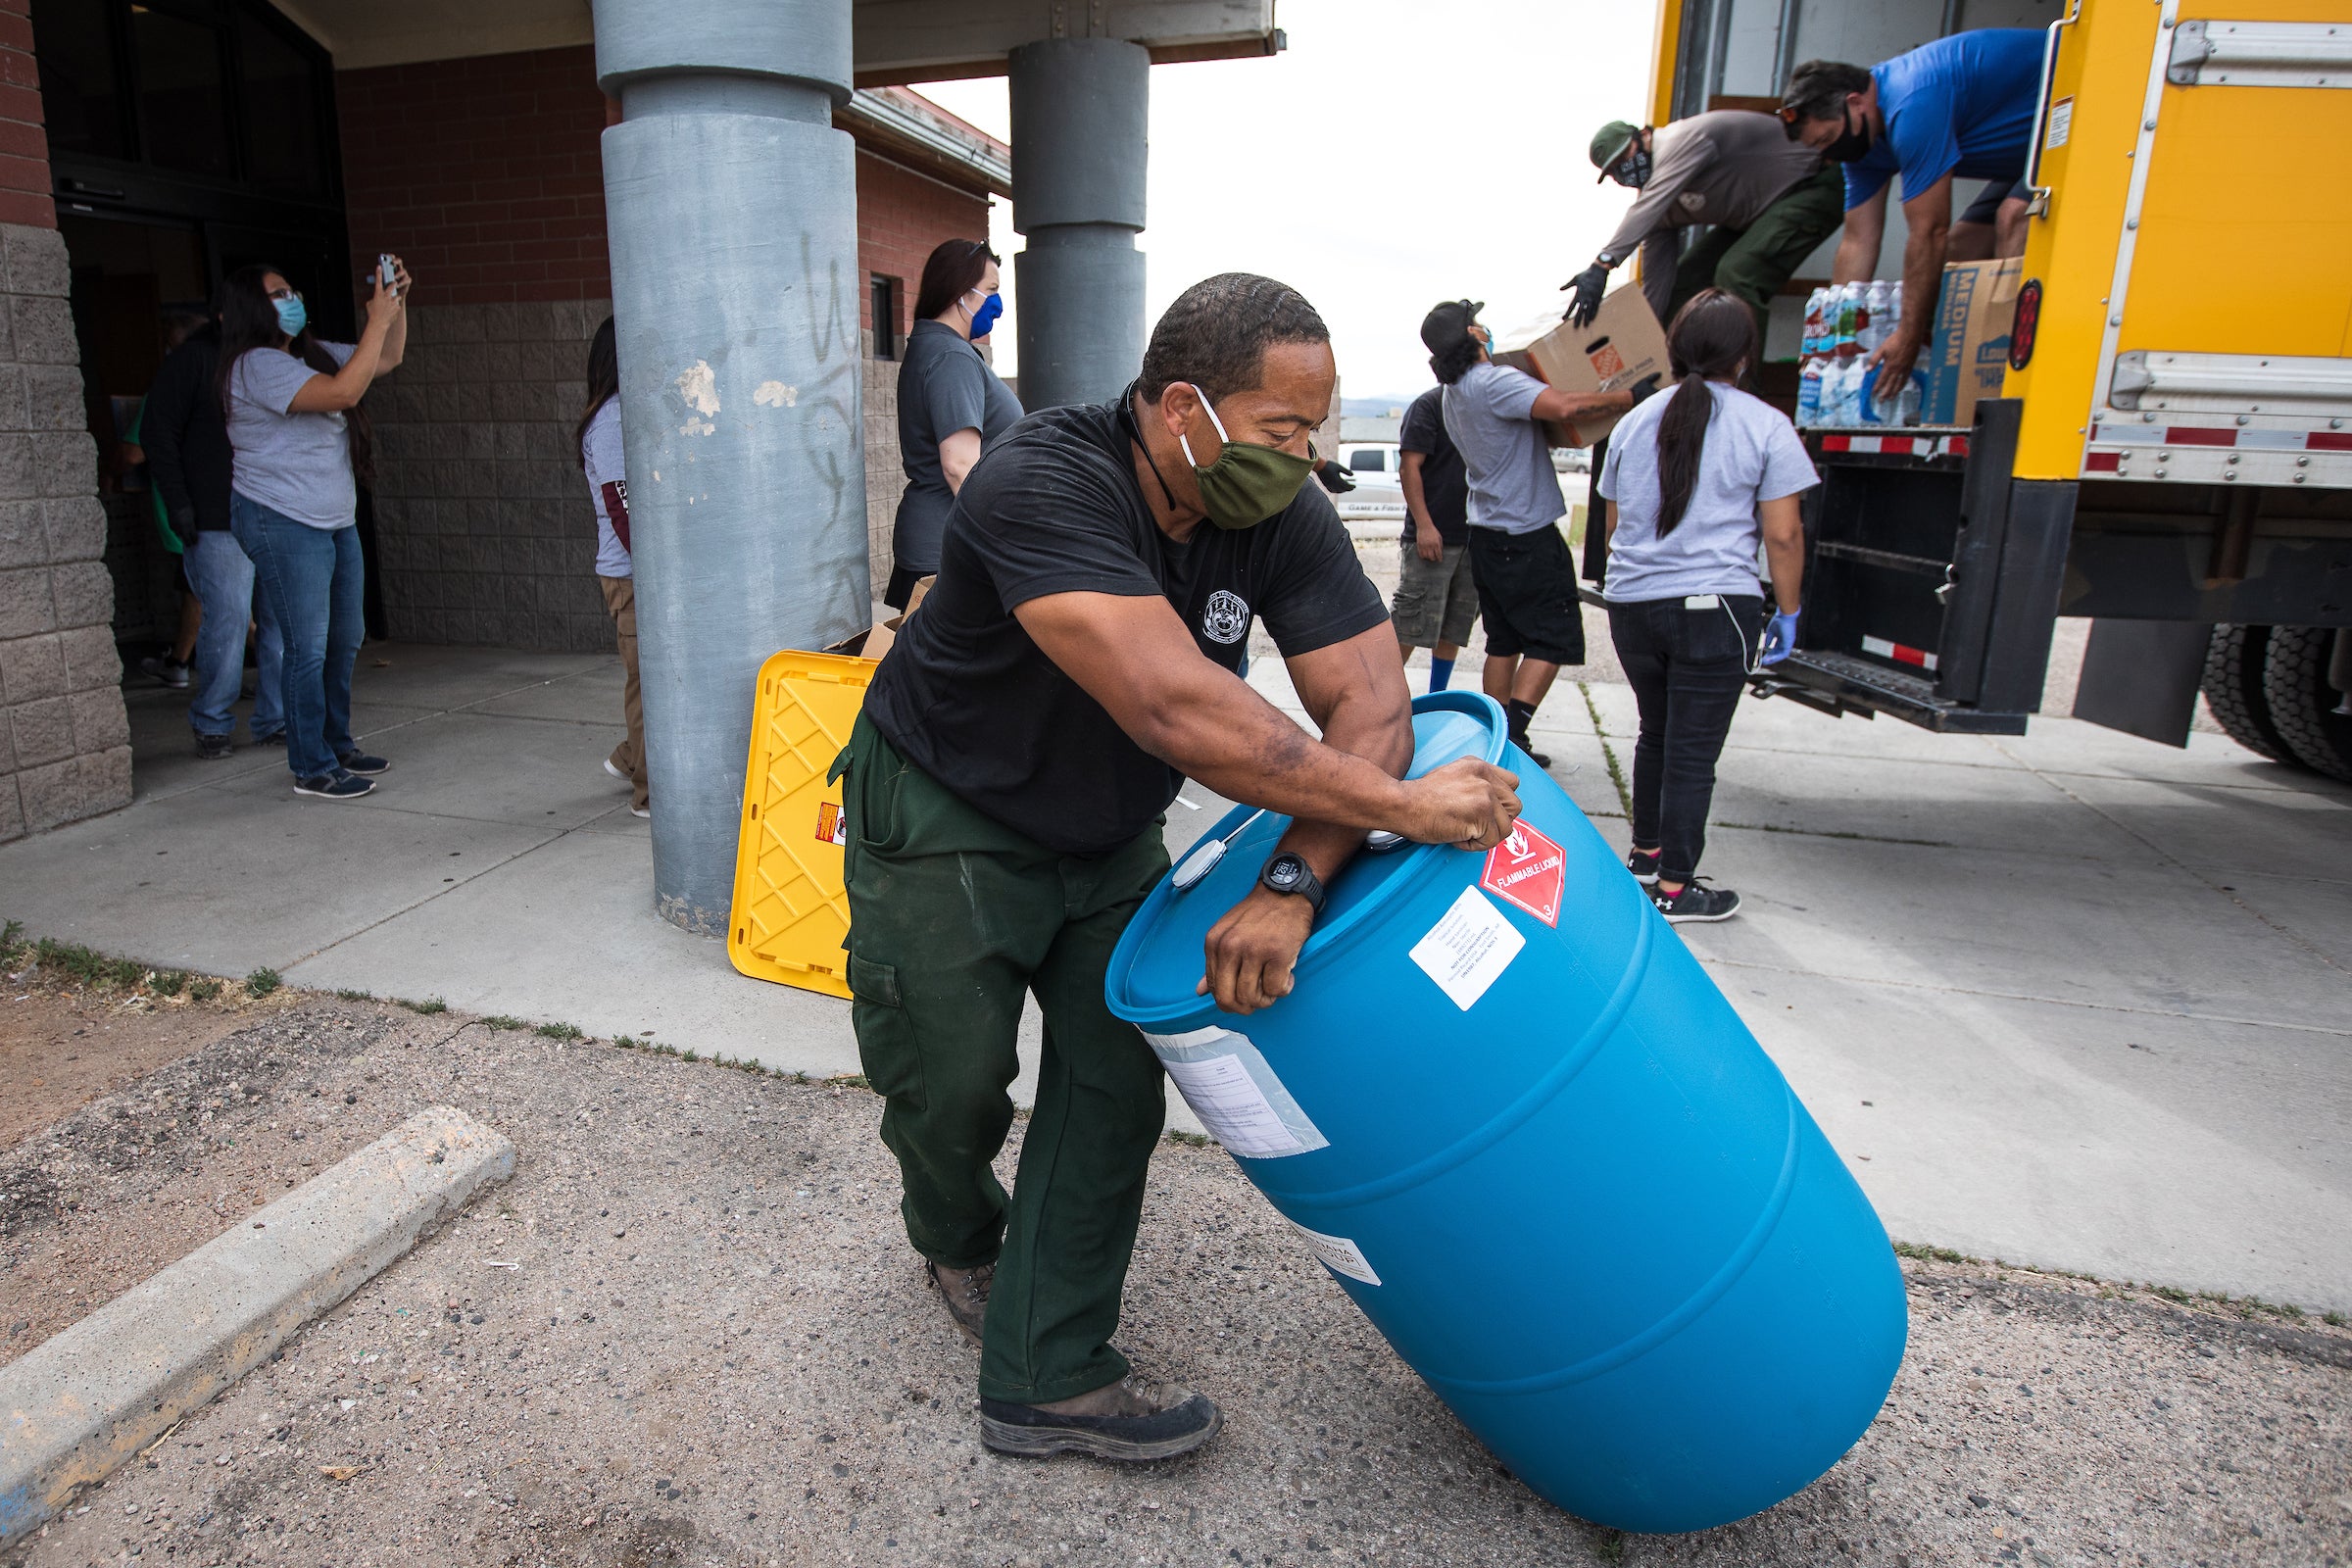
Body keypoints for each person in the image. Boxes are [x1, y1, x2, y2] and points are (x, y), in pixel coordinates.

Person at [838, 272, 1521, 1464]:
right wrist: (1399, 809)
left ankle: (1048, 1372)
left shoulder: (1281, 514)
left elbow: (1368, 701)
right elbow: (1171, 701)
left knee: (1115, 1085)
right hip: (951, 804)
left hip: (1108, 832)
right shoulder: (1042, 478)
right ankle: (952, 1231)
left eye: (1317, 428)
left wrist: (1295, 881)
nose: (1306, 457)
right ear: (1181, 407)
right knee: (949, 1088)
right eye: (1280, 430)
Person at [1597, 289, 1814, 924]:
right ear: (1745, 356)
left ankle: (1645, 857)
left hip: (1632, 605)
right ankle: (1676, 887)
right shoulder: (1763, 423)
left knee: (1656, 734)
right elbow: (1783, 534)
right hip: (1713, 608)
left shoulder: (1634, 422)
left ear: (1674, 348)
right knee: (1692, 750)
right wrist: (1790, 612)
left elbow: (1616, 523)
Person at [1423, 298, 1642, 768]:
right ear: (1474, 337)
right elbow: (1565, 405)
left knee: (1503, 641)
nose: (1485, 326)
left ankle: (1497, 738)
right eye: (1476, 322)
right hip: (1525, 534)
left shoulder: (1453, 393)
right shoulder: (1493, 382)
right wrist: (1629, 397)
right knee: (1553, 638)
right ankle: (1514, 737)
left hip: (1487, 532)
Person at [220, 258, 409, 800]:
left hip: (331, 518)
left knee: (345, 637)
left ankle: (336, 743)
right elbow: (345, 394)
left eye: (293, 289)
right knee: (308, 646)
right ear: (251, 307)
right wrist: (375, 318)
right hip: (281, 518)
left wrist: (394, 304)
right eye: (280, 293)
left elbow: (388, 357)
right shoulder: (255, 365)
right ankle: (311, 766)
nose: (292, 298)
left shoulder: (309, 356)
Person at [1780, 32, 2044, 392]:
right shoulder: (1861, 141)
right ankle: (1960, 366)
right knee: (1956, 254)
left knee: (2013, 218)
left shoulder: (1912, 101)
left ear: (1855, 101)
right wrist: (1830, 340)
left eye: (1827, 139)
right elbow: (1857, 242)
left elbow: (1929, 230)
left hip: (2075, 113)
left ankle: (2013, 377)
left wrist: (1908, 333)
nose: (1830, 154)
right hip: (2026, 152)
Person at [143, 300, 285, 759]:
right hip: (214, 516)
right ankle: (212, 721)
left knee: (280, 622)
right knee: (226, 619)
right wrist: (180, 503)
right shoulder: (194, 359)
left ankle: (275, 718)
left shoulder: (267, 358)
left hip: (272, 510)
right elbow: (157, 432)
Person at [1561, 113, 1838, 340]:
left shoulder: (1680, 139)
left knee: (1736, 271)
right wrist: (1641, 343)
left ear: (1644, 134)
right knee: (1682, 287)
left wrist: (1603, 264)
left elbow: (1650, 202)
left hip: (1814, 184)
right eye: (1615, 170)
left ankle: (1743, 387)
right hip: (1762, 214)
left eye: (1626, 157)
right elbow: (1658, 285)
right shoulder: (1659, 206)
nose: (1625, 170)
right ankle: (1681, 378)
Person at [887, 238, 1023, 610]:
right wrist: (1003, 545)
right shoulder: (951, 356)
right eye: (991, 290)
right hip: (948, 551)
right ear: (960, 290)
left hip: (938, 543)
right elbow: (960, 465)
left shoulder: (934, 347)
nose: (997, 303)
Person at [576, 317, 649, 819]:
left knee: (649, 680)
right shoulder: (613, 419)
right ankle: (649, 792)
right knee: (647, 684)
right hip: (630, 576)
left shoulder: (624, 412)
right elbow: (623, 509)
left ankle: (630, 758)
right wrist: (656, 575)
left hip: (632, 573)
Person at [126, 306, 214, 690]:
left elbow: (132, 452)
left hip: (196, 514)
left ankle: (182, 663)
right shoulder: (219, 386)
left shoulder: (170, 390)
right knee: (210, 591)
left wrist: (112, 471)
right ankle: (180, 661)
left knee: (206, 591)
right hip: (210, 510)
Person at [1392, 385, 1475, 693]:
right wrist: (1424, 525)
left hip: (1473, 537)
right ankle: (1380, 698)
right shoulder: (1429, 404)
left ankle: (1437, 696)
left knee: (1453, 627)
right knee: (1409, 624)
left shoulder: (1483, 403)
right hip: (1431, 536)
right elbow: (1409, 466)